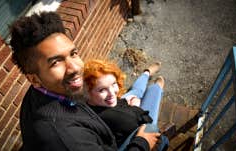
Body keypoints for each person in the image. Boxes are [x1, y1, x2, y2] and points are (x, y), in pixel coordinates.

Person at [10, 12, 160, 151]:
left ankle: (147, 75)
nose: (75, 68)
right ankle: (154, 82)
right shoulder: (65, 139)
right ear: (34, 79)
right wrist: (142, 142)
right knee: (152, 117)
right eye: (56, 62)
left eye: (73, 53)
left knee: (133, 96)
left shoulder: (43, 91)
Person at [83, 59, 168, 150]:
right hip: (134, 134)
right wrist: (135, 106)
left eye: (113, 84)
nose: (112, 93)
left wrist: (125, 102)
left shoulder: (94, 103)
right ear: (88, 93)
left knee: (135, 92)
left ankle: (147, 73)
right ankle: (156, 87)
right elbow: (145, 119)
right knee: (145, 94)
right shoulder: (118, 119)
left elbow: (119, 103)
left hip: (121, 109)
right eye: (102, 90)